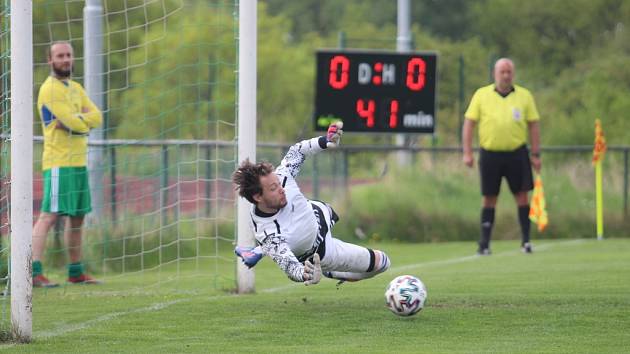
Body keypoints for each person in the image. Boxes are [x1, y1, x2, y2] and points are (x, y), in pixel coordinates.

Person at [232, 123, 390, 286]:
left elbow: (297, 151)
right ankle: (331, 271)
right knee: (382, 262)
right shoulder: (269, 234)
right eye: (273, 188)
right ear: (258, 196)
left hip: (320, 214)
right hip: (320, 251)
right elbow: (290, 267)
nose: (281, 189)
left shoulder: (283, 176)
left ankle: (256, 252)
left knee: (321, 212)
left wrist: (325, 140)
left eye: (278, 184)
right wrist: (306, 274)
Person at [32, 41, 103, 287]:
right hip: (58, 162)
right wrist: (80, 123)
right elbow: (73, 122)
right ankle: (33, 270)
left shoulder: (76, 88)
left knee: (78, 218)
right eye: (60, 55)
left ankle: (75, 271)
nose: (65, 59)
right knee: (49, 216)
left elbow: (97, 117)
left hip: (79, 162)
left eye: (69, 55)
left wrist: (77, 121)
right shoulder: (49, 90)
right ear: (50, 60)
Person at [462, 58, 541, 255]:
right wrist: (467, 152)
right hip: (490, 154)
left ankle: (526, 241)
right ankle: (485, 243)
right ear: (495, 74)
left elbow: (534, 125)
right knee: (489, 198)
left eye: (509, 72)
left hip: (517, 153)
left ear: (513, 74)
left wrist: (536, 153)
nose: (506, 75)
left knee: (522, 196)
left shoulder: (524, 96)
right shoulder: (482, 95)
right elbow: (469, 124)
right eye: (502, 72)